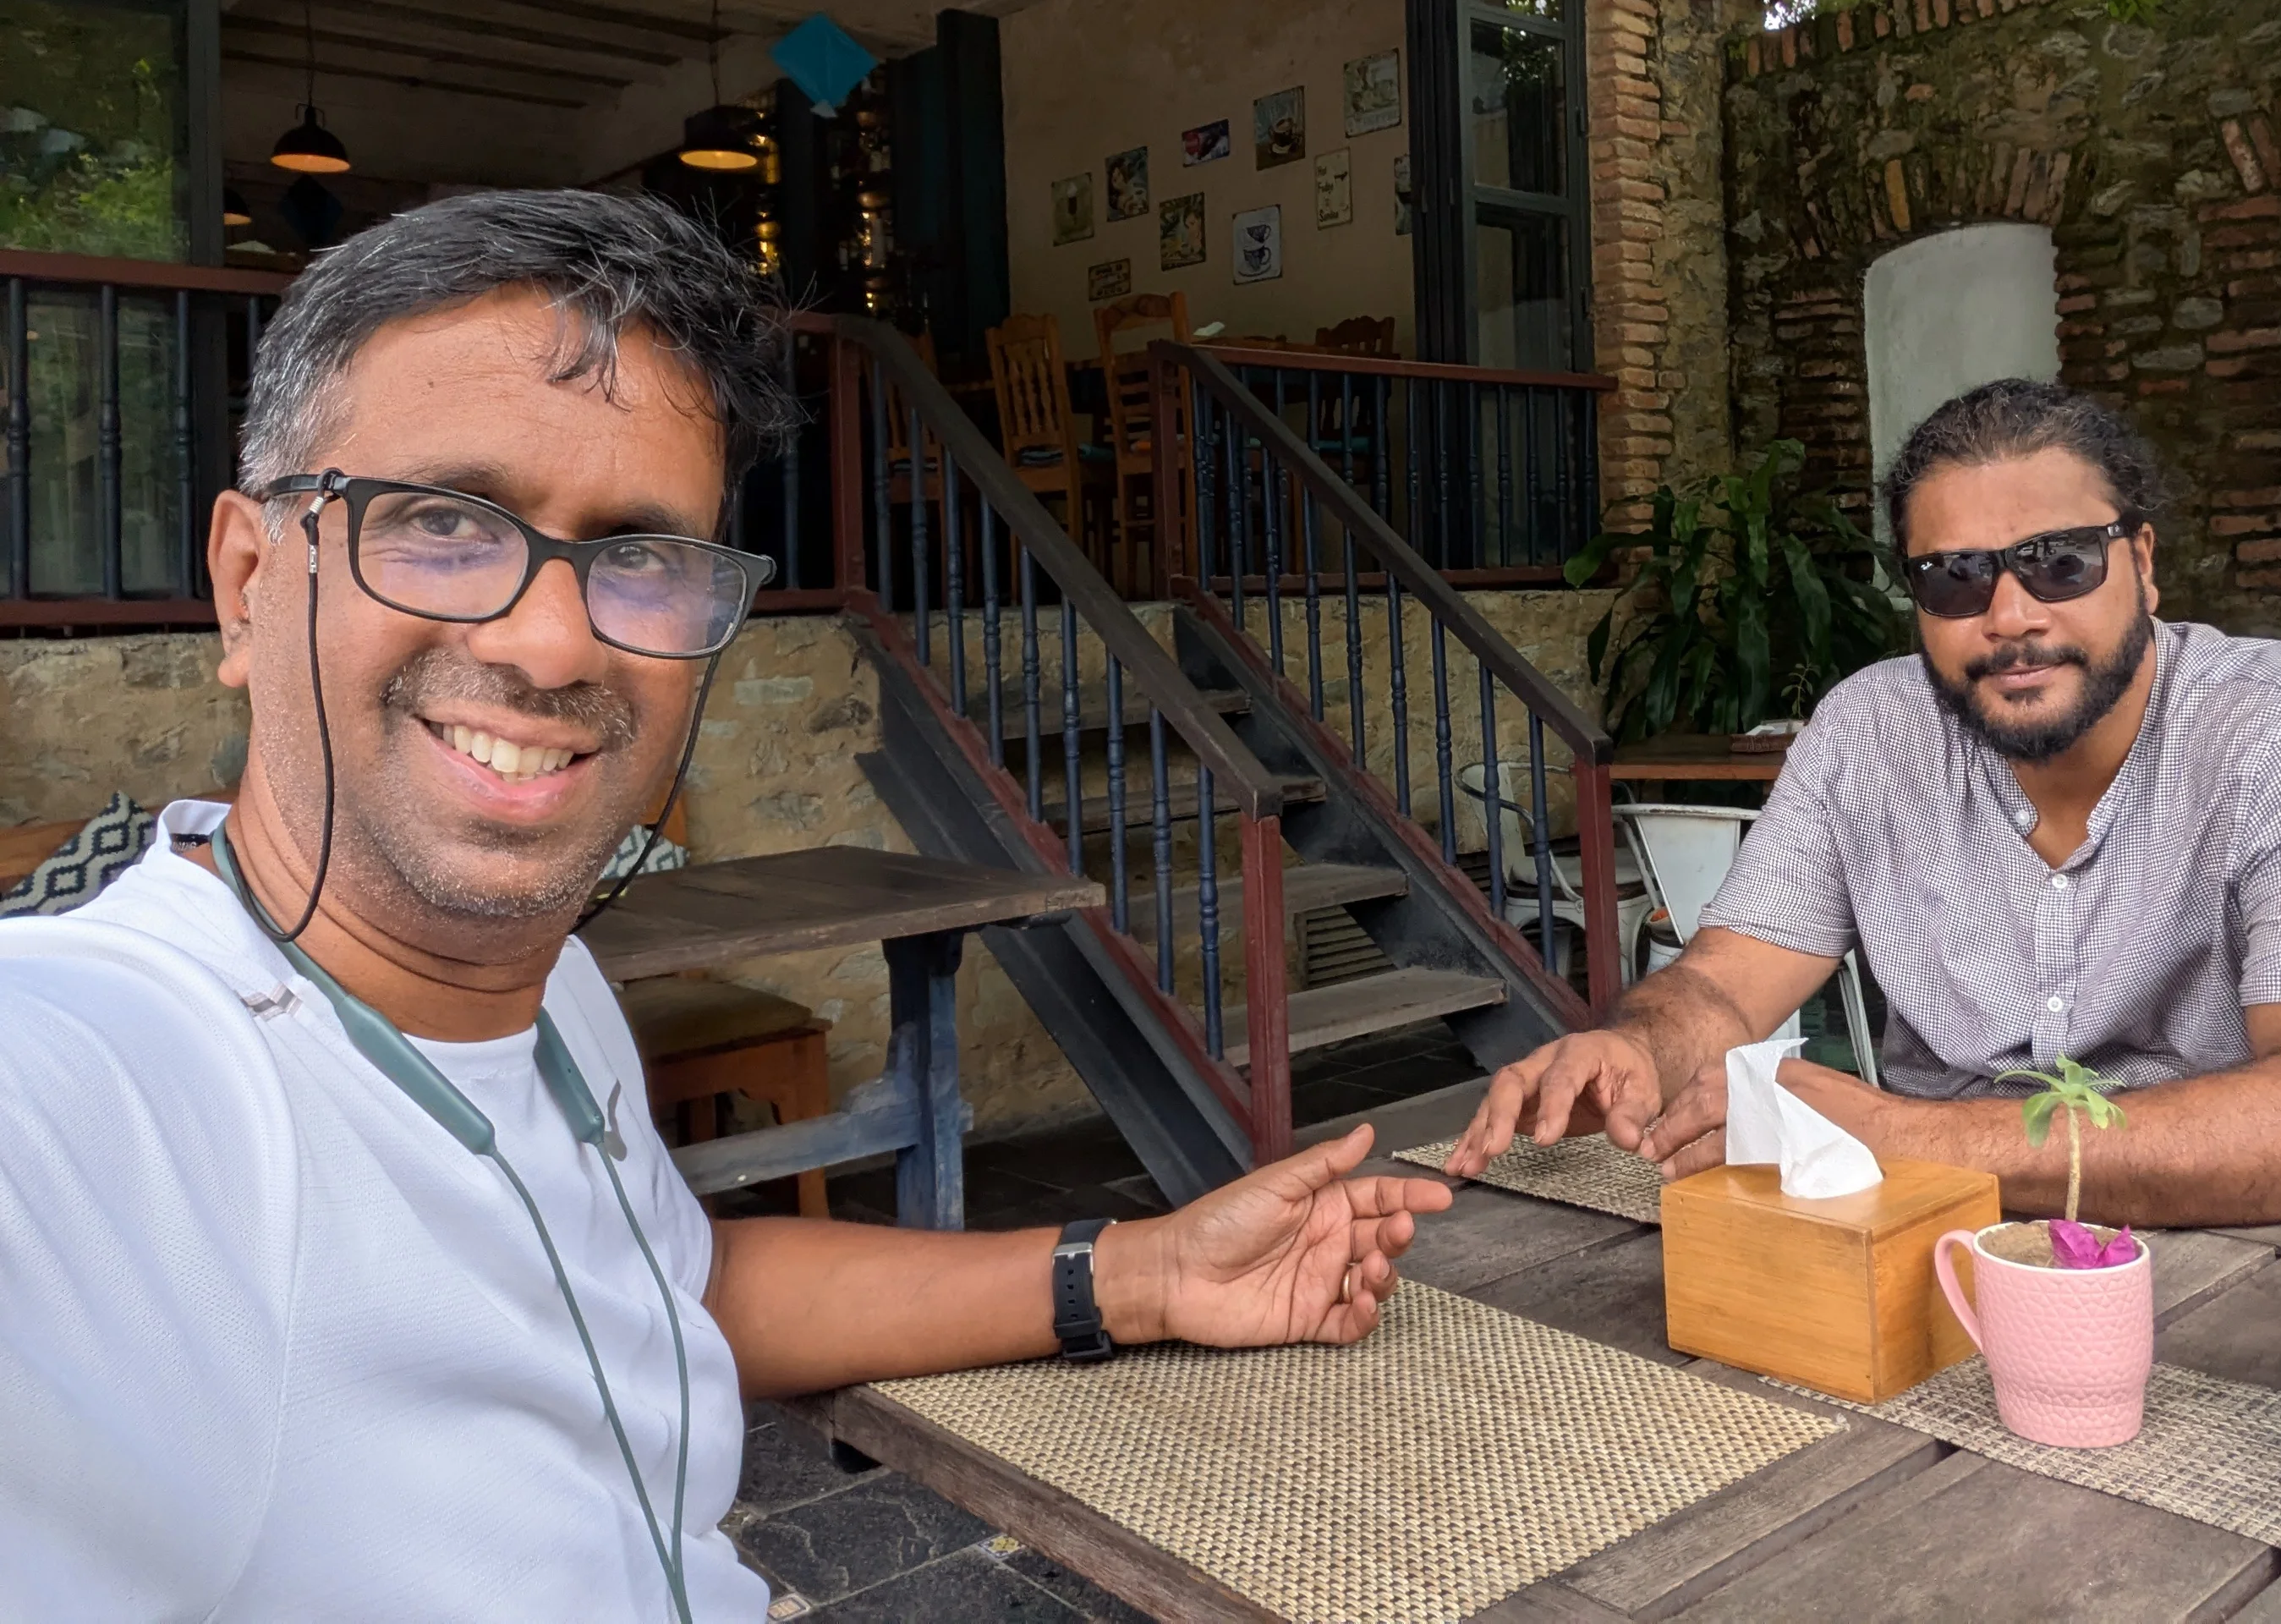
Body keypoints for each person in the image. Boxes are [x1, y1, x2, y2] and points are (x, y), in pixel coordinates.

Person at [0, 193, 1450, 1622]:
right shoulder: (96, 1083)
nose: (554, 637)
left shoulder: (545, 985)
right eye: (442, 521)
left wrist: (1137, 1267)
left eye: (638, 555)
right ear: (250, 583)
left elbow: (668, 1280)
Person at [1452, 378, 2281, 1226]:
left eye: (2060, 561)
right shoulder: (1868, 733)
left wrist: (1911, 1139)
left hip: (2235, 1237)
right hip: (1925, 1234)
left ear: (2141, 560)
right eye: (1954, 577)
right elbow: (1722, 986)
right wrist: (1634, 1045)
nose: (2010, 616)